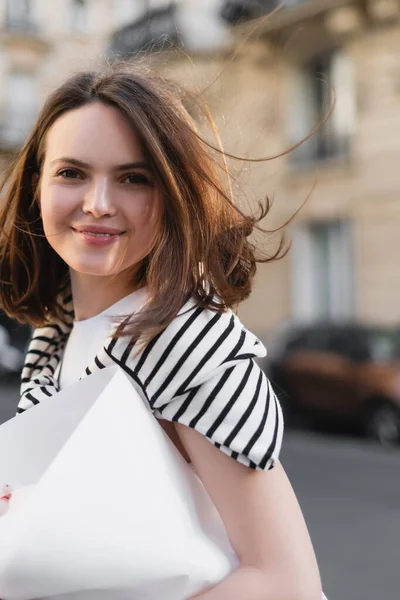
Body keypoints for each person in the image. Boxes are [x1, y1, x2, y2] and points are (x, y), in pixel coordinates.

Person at [0, 61, 324, 600]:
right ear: (36, 185)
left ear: (174, 195)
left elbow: (287, 582)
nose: (98, 203)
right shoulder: (55, 334)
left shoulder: (189, 344)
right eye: (71, 173)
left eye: (133, 178)